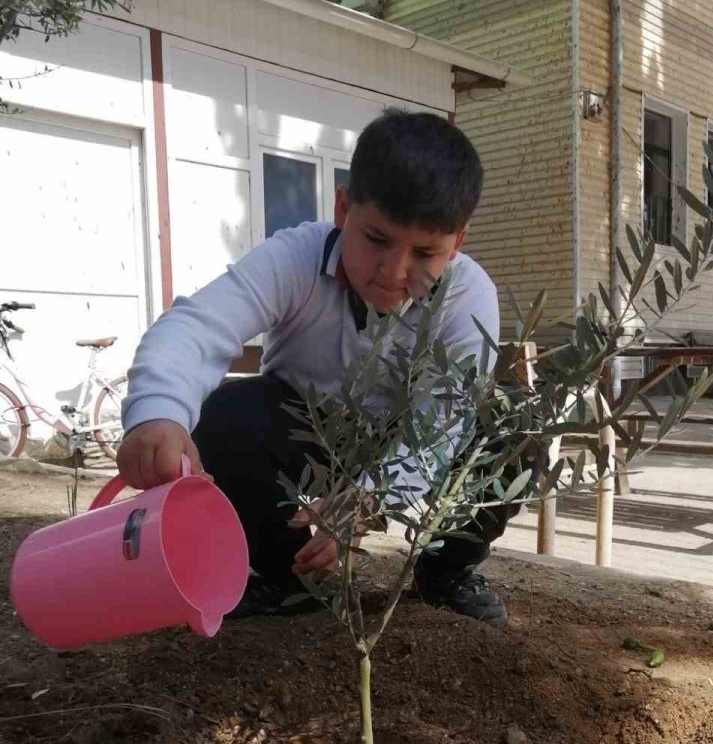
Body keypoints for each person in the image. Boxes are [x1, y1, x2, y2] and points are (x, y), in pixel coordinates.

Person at [117, 109, 512, 626]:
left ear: (457, 243)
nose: (393, 273)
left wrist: (371, 498)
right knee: (226, 413)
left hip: (403, 439)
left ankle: (445, 573)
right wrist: (158, 413)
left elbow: (444, 421)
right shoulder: (295, 257)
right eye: (376, 239)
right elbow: (198, 325)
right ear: (343, 208)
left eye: (425, 253)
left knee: (505, 430)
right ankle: (286, 576)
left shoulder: (469, 296)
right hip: (305, 432)